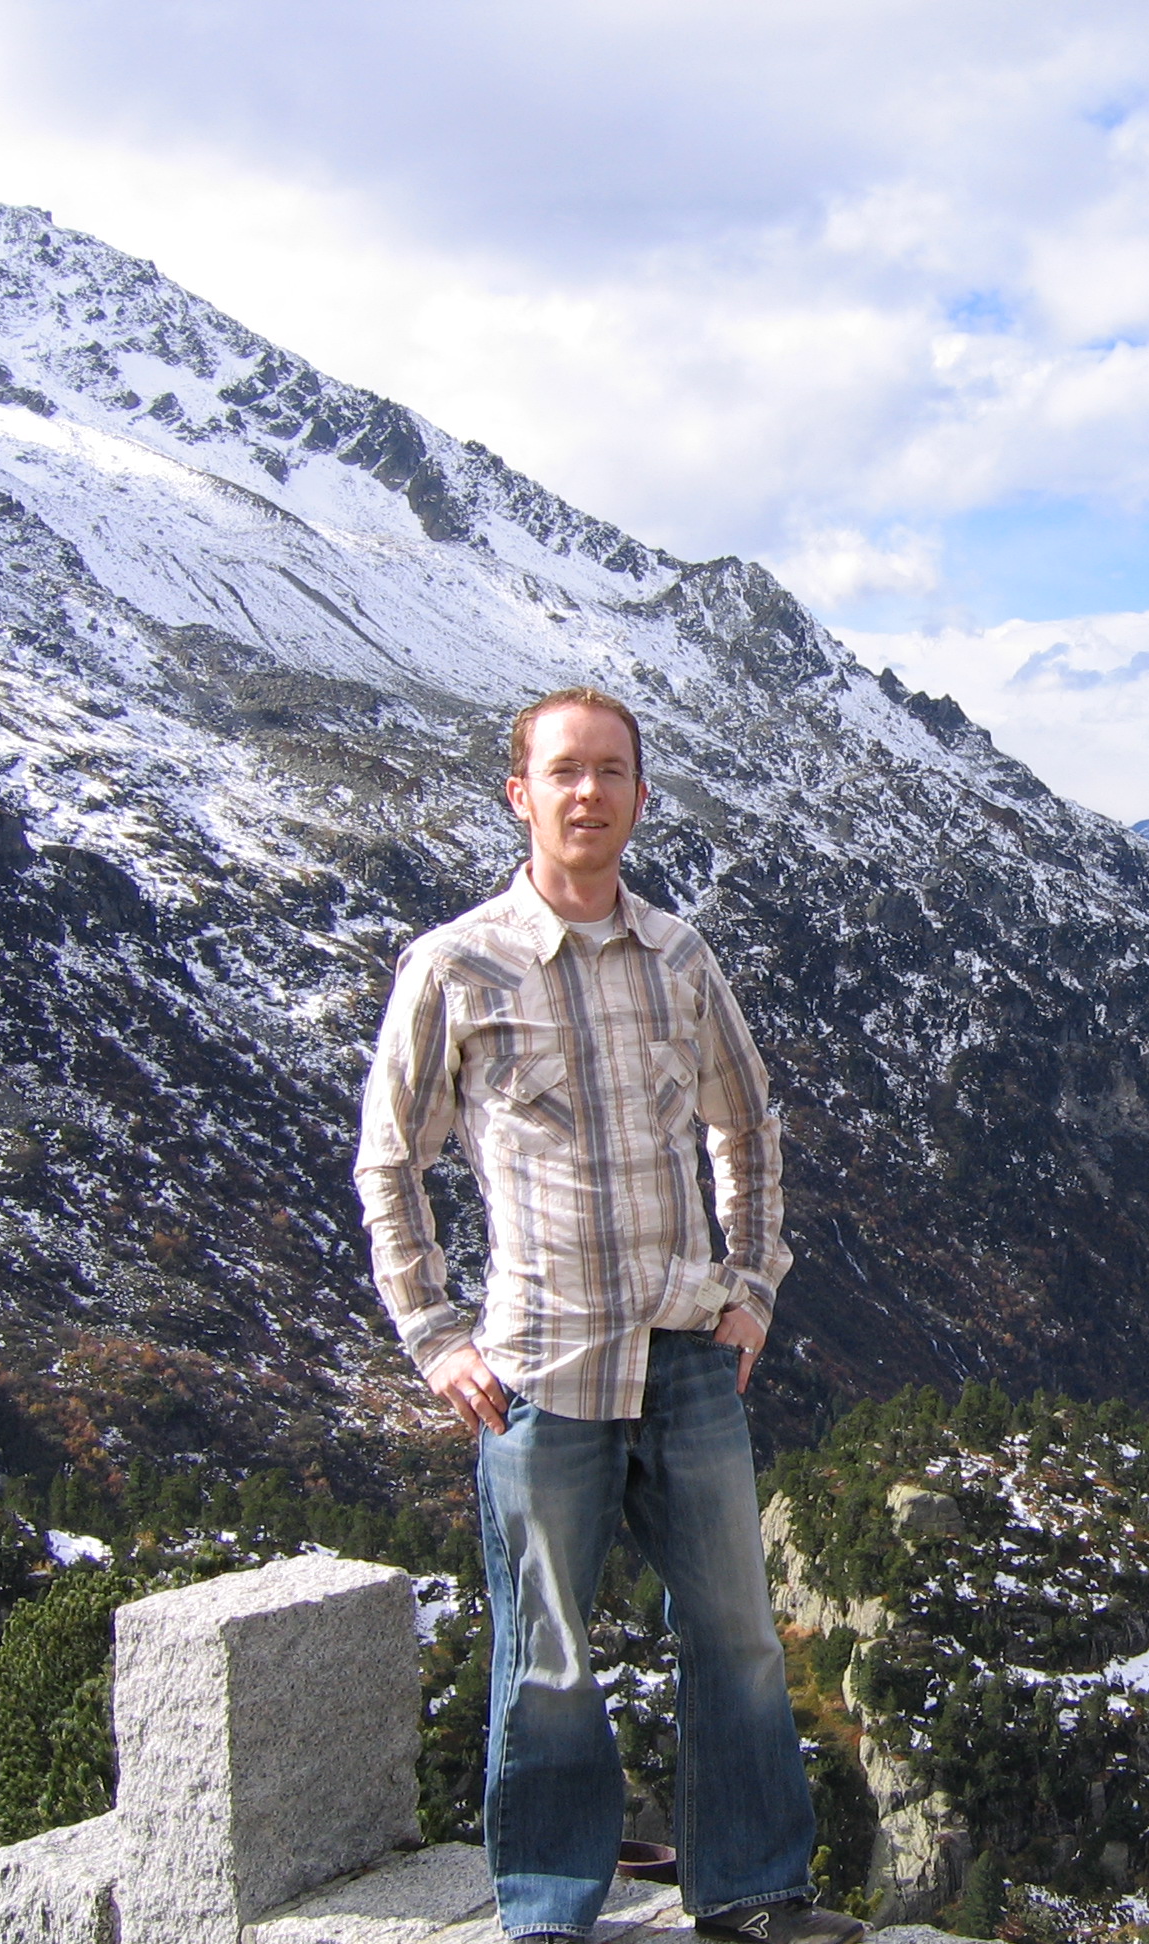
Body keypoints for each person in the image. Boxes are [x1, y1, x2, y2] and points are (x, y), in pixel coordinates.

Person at [355, 686, 861, 1944]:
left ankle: (752, 1895)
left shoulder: (681, 958)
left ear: (641, 795)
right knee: (548, 1661)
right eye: (565, 772)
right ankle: (547, 1915)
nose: (590, 794)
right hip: (537, 1369)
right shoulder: (453, 967)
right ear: (520, 793)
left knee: (740, 1636)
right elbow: (389, 1161)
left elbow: (746, 1120)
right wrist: (434, 1336)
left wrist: (752, 1288)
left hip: (690, 1355)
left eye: (613, 772)